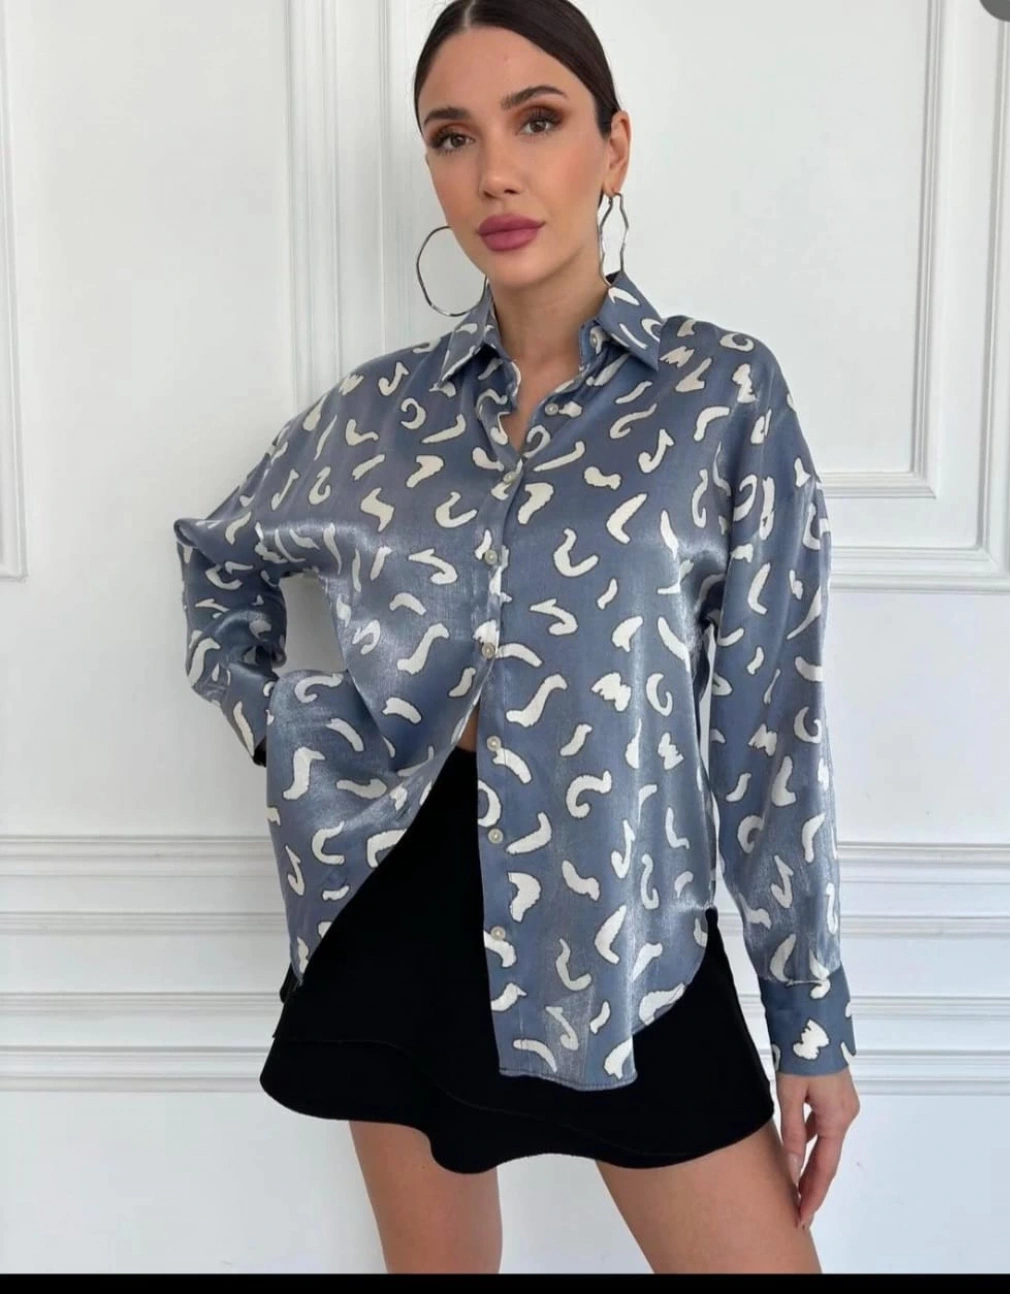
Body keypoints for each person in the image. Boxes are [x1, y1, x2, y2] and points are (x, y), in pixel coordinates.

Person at [172, 0, 860, 1274]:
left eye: (535, 121)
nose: (493, 172)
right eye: (452, 136)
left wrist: (807, 1015)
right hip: (402, 905)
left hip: (629, 926)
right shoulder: (374, 418)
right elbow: (218, 558)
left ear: (613, 147)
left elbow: (770, 726)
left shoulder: (720, 395)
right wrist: (287, 726)